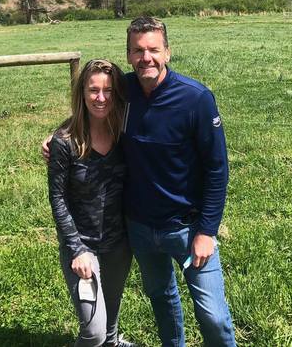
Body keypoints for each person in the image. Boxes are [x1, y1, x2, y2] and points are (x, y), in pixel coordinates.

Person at [44, 17, 236, 347]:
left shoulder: (196, 99)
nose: (146, 57)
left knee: (213, 317)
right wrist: (57, 137)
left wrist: (207, 230)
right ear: (129, 55)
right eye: (138, 50)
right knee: (162, 299)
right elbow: (92, 107)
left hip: (188, 228)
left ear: (167, 52)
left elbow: (217, 169)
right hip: (140, 229)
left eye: (153, 49)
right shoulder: (125, 90)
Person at [48, 59, 135, 347]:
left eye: (108, 90)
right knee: (94, 333)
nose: (100, 98)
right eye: (93, 90)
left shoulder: (124, 132)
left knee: (109, 326)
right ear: (82, 93)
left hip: (119, 243)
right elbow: (57, 198)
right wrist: (76, 249)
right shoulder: (65, 142)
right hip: (82, 245)